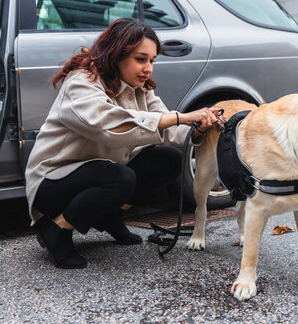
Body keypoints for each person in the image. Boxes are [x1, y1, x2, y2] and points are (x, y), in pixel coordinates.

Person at [25, 18, 220, 269]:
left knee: (168, 159)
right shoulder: (82, 81)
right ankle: (56, 230)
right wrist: (181, 117)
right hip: (52, 181)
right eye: (141, 59)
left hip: (102, 171)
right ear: (116, 54)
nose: (148, 68)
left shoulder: (140, 89)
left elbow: (169, 129)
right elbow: (105, 126)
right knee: (120, 177)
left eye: (152, 61)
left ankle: (109, 217)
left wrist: (198, 128)